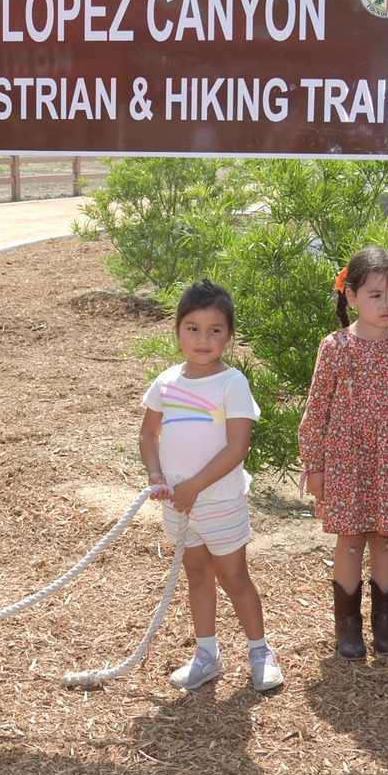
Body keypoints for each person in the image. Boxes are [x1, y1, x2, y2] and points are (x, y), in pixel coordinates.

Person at [139, 280, 284, 693]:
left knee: (234, 577)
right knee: (197, 574)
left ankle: (259, 651)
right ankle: (207, 655)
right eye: (193, 328)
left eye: (215, 329)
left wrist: (194, 487)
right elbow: (149, 434)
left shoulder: (231, 382)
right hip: (177, 504)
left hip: (218, 500)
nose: (203, 339)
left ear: (229, 336)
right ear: (178, 331)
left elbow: (238, 447)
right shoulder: (166, 382)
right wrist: (156, 475)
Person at [299, 247, 388, 660]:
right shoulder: (335, 347)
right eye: (375, 295)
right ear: (351, 296)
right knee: (351, 542)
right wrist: (314, 466)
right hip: (346, 463)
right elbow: (315, 411)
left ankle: (385, 624)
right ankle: (347, 627)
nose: (386, 304)